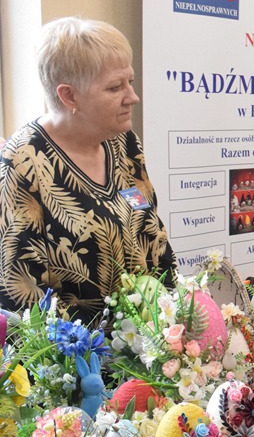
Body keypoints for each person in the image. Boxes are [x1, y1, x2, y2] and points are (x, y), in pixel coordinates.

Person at [0, 17, 176, 324]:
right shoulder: (21, 164)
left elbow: (154, 236)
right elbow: (21, 294)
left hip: (148, 349)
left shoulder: (124, 144)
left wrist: (176, 321)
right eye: (114, 87)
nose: (132, 97)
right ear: (68, 96)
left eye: (130, 82)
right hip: (75, 361)